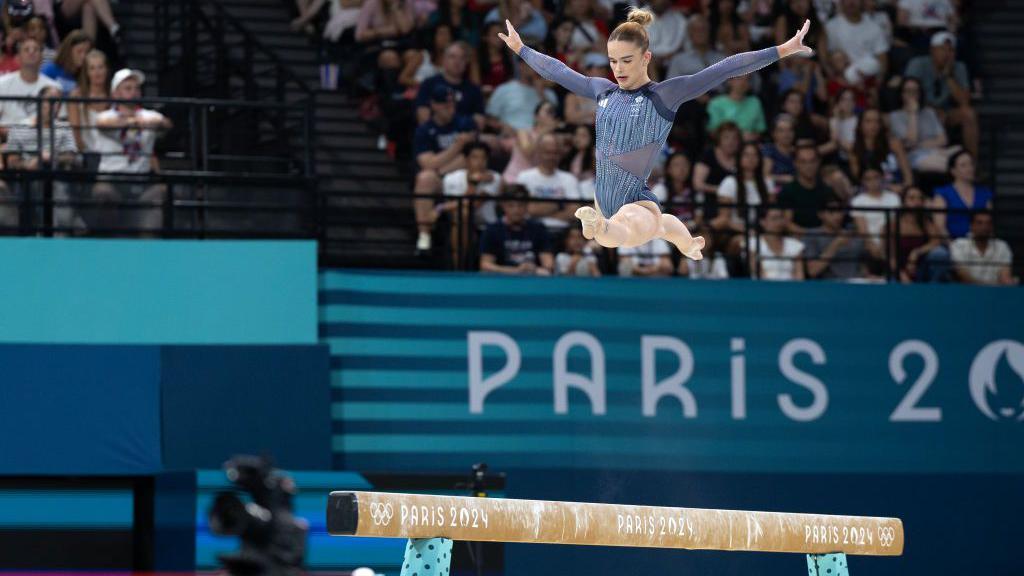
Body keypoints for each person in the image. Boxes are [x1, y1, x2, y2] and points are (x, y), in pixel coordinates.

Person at [500, 9, 814, 260]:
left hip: (635, 202)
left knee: (627, 228)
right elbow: (560, 72)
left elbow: (724, 69)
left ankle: (606, 228)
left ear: (646, 58)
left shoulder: (664, 95)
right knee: (662, 226)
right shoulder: (602, 90)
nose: (618, 69)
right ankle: (688, 244)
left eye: (626, 60)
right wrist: (521, 49)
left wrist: (783, 49)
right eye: (612, 61)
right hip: (603, 196)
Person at [91, 69, 173, 232]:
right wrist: (131, 122)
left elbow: (167, 124)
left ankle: (148, 247)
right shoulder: (105, 116)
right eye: (128, 88)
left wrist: (160, 123)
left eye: (136, 88)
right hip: (112, 179)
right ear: (116, 93)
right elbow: (103, 124)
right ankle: (108, 241)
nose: (134, 92)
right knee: (102, 192)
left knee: (161, 191)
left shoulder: (149, 115)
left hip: (141, 180)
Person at [479, 185, 554, 275]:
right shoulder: (492, 230)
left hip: (532, 279)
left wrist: (535, 269)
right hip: (501, 280)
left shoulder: (538, 228)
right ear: (503, 206)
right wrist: (516, 271)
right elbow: (485, 265)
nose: (516, 210)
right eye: (511, 205)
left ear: (526, 206)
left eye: (520, 205)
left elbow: (548, 264)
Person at [0, 37, 59, 131]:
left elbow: (57, 123)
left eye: (36, 49)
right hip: (9, 142)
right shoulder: (2, 83)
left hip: (44, 141)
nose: (31, 52)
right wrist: (16, 133)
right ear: (18, 57)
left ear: (42, 57)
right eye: (26, 49)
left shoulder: (54, 87)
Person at [931, 150, 992, 240]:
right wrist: (953, 248)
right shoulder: (942, 193)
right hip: (951, 244)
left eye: (971, 164)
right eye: (963, 165)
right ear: (953, 171)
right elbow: (940, 227)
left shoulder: (985, 192)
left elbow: (990, 224)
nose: (969, 168)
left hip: (980, 244)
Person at [803, 193, 866, 280]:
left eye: (840, 211)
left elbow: (862, 265)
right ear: (820, 214)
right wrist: (835, 245)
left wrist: (868, 277)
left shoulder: (852, 235)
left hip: (857, 284)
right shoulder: (812, 235)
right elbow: (812, 271)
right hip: (829, 286)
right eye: (832, 212)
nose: (837, 216)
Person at [950, 212, 1015, 286]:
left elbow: (1005, 275)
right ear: (971, 226)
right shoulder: (959, 245)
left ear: (992, 227)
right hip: (967, 292)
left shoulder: (1002, 246)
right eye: (979, 223)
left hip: (996, 294)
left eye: (988, 223)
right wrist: (988, 286)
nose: (984, 227)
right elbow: (963, 275)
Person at [40, 29, 91, 95]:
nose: (83, 56)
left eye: (87, 52)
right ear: (68, 51)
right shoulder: (50, 69)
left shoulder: (88, 75)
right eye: (79, 51)